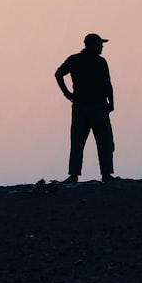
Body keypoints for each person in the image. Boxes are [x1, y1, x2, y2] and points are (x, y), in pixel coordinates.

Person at [54, 33, 116, 183]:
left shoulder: (74, 59)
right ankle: (106, 174)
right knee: (105, 142)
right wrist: (111, 103)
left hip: (79, 107)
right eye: (100, 44)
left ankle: (74, 174)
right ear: (92, 45)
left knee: (77, 142)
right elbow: (107, 84)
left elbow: (58, 73)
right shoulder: (100, 62)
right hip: (97, 106)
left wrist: (67, 93)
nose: (102, 47)